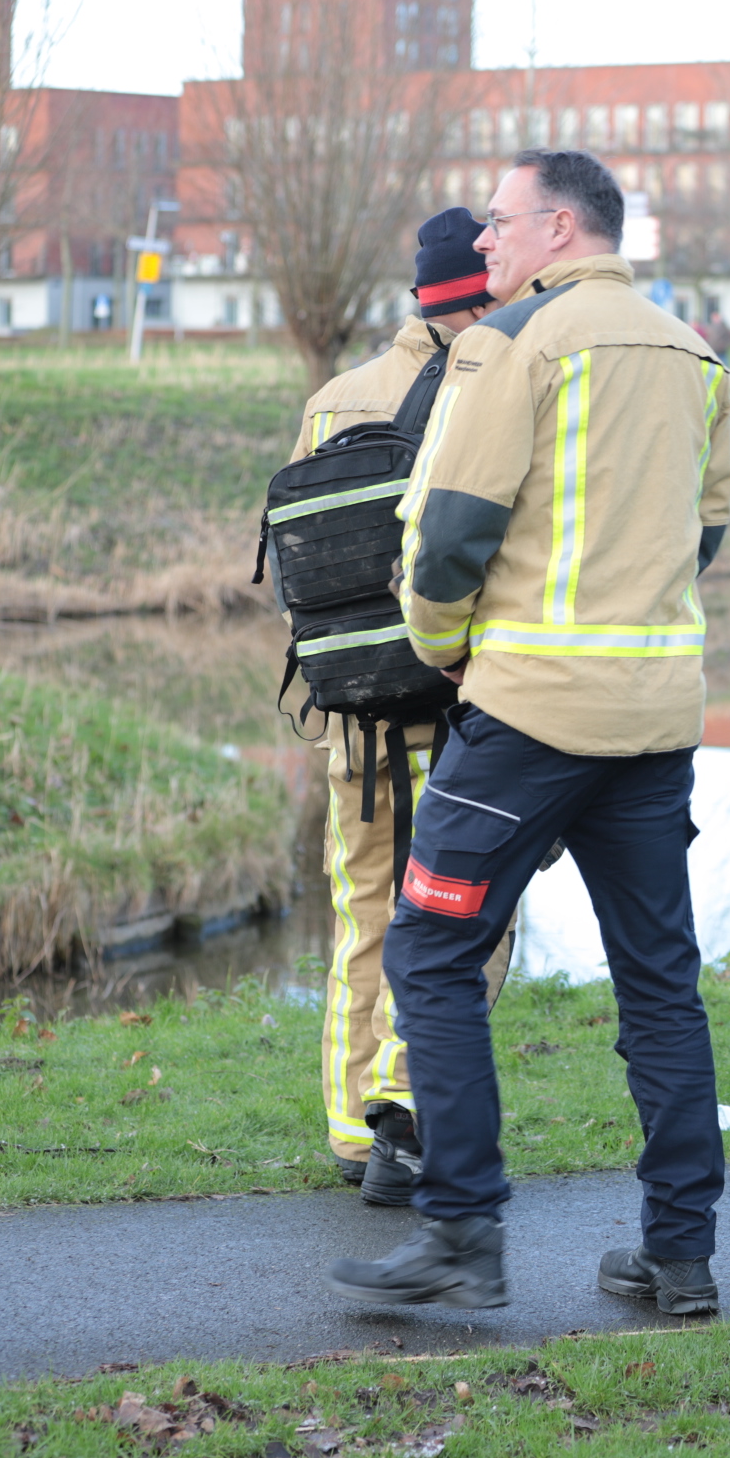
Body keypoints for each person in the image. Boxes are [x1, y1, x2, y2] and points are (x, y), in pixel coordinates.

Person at [325, 147, 730, 1314]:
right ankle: (681, 1253)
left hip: (529, 714)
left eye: (501, 223)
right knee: (660, 981)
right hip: (656, 718)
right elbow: (705, 531)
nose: (485, 243)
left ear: (561, 227)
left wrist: (443, 643)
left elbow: (448, 528)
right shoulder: (697, 355)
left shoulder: (510, 345)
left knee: (429, 950)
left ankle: (462, 1231)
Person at [288, 207, 509, 1204]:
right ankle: (401, 1110)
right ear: (484, 284)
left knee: (361, 910)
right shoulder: (493, 382)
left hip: (352, 715)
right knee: (466, 919)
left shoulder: (335, 399)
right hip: (459, 703)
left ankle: (345, 1124)